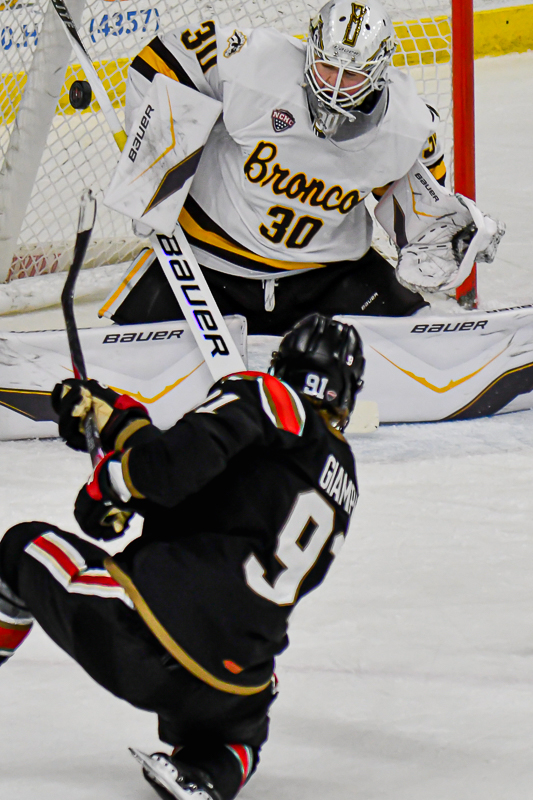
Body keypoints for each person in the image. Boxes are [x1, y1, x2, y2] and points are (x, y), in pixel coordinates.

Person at [0, 313, 364, 800]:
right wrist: (122, 425)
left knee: (20, 548)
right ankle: (213, 771)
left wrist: (113, 483)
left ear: (283, 367)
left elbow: (175, 468)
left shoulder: (272, 397)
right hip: (236, 689)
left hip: (149, 639)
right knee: (239, 735)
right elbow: (202, 490)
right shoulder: (340, 476)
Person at [102, 0, 451, 334]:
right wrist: (154, 165)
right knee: (119, 358)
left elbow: (425, 214)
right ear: (310, 50)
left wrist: (442, 239)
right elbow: (164, 58)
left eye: (351, 76)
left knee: (424, 338)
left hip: (329, 274)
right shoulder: (256, 65)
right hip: (208, 264)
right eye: (328, 67)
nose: (334, 88)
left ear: (379, 73)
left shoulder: (407, 127)